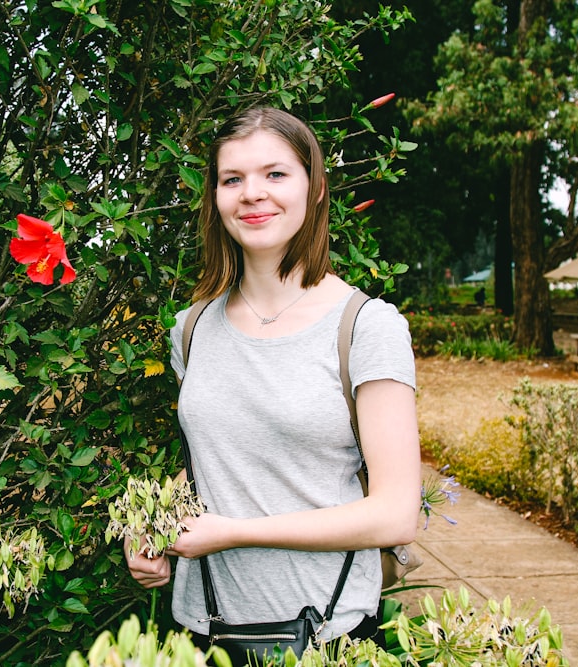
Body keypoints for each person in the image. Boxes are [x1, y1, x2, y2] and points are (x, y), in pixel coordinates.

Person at [125, 107, 421, 649]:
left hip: (325, 636)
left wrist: (233, 534)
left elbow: (397, 514)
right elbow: (220, 464)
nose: (252, 193)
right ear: (214, 198)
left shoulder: (366, 327)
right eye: (231, 179)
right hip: (202, 632)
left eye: (275, 174)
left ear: (315, 188)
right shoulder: (191, 329)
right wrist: (153, 529)